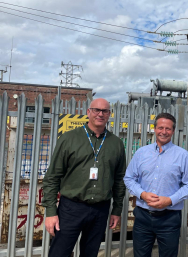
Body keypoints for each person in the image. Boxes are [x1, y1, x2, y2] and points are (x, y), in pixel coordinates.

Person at [42, 98, 126, 257]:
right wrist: (51, 212)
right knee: (59, 252)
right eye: (96, 110)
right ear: (88, 112)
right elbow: (52, 177)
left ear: (109, 115)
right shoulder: (69, 139)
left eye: (105, 111)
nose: (100, 114)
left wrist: (117, 210)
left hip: (100, 210)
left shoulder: (116, 144)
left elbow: (119, 179)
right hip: (71, 208)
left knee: (90, 253)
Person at [124, 112, 188, 257]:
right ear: (154, 128)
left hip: (169, 218)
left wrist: (170, 200)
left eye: (168, 129)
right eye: (160, 128)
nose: (164, 132)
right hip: (143, 217)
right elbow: (129, 178)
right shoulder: (141, 153)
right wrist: (142, 194)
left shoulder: (182, 155)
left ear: (173, 131)